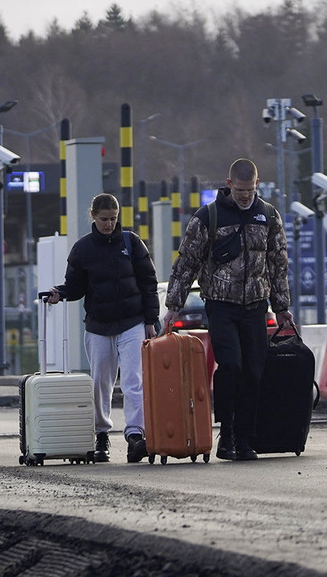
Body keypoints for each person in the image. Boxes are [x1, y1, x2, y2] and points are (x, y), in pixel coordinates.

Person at [163, 158, 294, 461]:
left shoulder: (269, 216)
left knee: (254, 372)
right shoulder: (208, 216)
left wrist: (282, 307)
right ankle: (226, 431)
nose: (245, 196)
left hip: (256, 307)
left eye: (250, 190)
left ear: (256, 186)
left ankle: (244, 438)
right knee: (231, 365)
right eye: (240, 190)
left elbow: (278, 265)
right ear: (228, 184)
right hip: (221, 304)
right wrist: (173, 306)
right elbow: (186, 264)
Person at [45, 194, 159, 463]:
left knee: (134, 380)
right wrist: (59, 293)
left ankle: (135, 436)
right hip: (98, 326)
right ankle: (101, 434)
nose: (109, 224)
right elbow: (75, 286)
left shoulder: (131, 243)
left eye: (113, 219)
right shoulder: (83, 249)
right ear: (93, 216)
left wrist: (150, 320)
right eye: (104, 219)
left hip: (132, 322)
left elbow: (148, 282)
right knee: (100, 384)